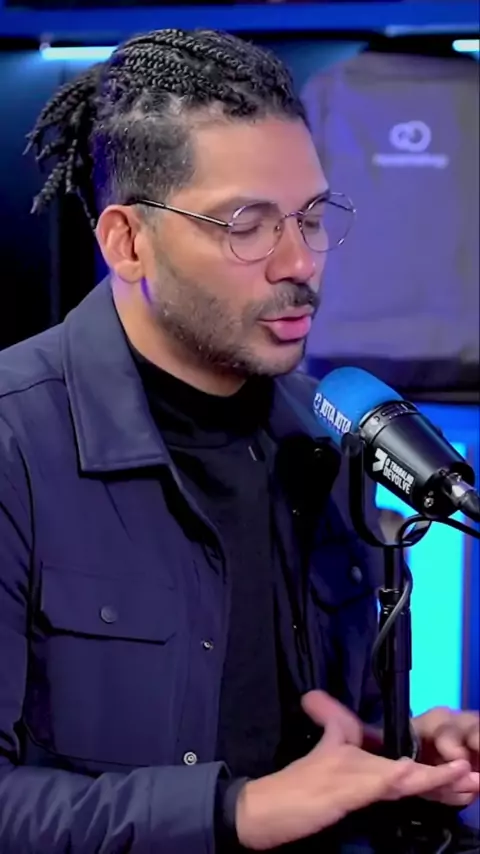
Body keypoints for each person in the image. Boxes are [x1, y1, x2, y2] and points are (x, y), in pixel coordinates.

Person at [0, 27, 478, 853]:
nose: (300, 262)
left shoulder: (329, 436)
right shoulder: (15, 443)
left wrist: (389, 760)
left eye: (312, 217)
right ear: (127, 242)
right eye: (247, 225)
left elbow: (312, 737)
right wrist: (234, 813)